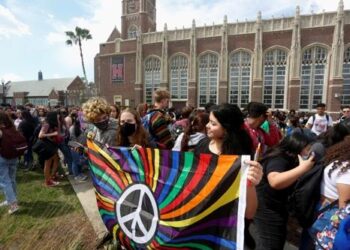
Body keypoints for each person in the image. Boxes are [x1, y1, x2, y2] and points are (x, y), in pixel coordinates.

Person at [194, 103, 263, 220]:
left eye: (213, 123)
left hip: (224, 222)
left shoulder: (241, 159)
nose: (207, 126)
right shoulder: (202, 145)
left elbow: (249, 213)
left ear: (226, 129)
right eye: (209, 121)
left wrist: (251, 184)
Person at [254, 131, 316, 250]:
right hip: (267, 209)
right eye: (308, 149)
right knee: (271, 244)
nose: (309, 153)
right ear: (297, 146)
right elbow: (275, 181)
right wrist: (302, 168)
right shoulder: (280, 158)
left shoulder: (284, 156)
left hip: (273, 206)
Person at [309, 136, 350, 249]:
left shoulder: (339, 161)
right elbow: (344, 209)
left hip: (320, 207)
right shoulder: (347, 172)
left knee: (310, 241)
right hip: (330, 214)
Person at [0, 111, 20, 214]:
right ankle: (13, 198)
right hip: (14, 157)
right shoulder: (12, 128)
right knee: (11, 179)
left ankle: (13, 204)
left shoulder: (1, 130)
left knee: (4, 181)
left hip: (2, 158)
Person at [38, 111, 60, 187]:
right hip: (46, 146)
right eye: (57, 116)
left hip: (51, 145)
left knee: (56, 159)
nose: (58, 117)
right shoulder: (46, 124)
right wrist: (53, 134)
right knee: (48, 163)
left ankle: (52, 177)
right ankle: (48, 181)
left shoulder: (51, 124)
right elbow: (40, 135)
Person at [68, 113, 88, 182]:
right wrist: (80, 146)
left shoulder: (84, 127)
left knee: (80, 161)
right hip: (74, 147)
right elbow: (72, 141)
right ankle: (76, 176)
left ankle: (80, 173)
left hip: (82, 148)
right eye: (83, 120)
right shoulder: (72, 128)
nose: (85, 122)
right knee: (75, 162)